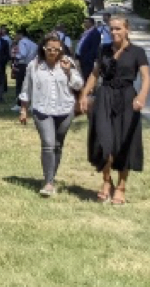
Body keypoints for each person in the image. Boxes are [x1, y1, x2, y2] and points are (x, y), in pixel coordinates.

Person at [79, 16, 150, 205]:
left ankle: (121, 187)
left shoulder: (137, 52)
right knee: (104, 142)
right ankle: (106, 181)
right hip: (105, 96)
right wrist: (84, 95)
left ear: (127, 30)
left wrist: (141, 96)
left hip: (127, 98)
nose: (114, 32)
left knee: (124, 144)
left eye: (118, 29)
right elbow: (95, 74)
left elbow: (145, 77)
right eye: (112, 29)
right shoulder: (104, 50)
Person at [18, 33, 83, 197]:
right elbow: (26, 89)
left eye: (56, 49)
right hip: (42, 109)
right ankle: (48, 182)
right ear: (43, 48)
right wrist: (23, 109)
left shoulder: (67, 62)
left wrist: (69, 72)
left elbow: (78, 84)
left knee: (58, 144)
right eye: (49, 49)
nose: (53, 52)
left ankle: (51, 177)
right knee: (48, 143)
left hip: (64, 109)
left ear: (61, 49)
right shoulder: (34, 65)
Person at [76, 17, 101, 81]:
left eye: (86, 22)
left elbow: (94, 48)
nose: (84, 24)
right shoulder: (86, 32)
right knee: (83, 75)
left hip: (88, 60)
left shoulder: (95, 33)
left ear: (91, 23)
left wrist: (89, 59)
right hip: (81, 58)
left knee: (87, 76)